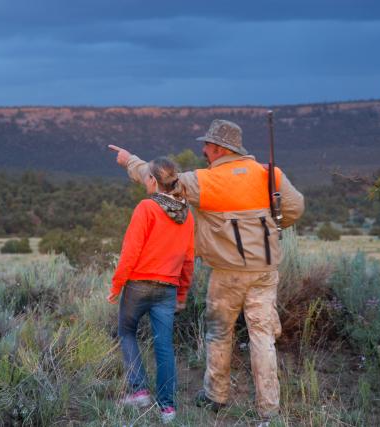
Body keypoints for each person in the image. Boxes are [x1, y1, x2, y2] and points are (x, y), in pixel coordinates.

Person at [109, 118, 305, 420]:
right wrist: (263, 224)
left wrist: (128, 160)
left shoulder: (206, 181)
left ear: (217, 148)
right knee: (263, 337)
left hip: (227, 273)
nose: (202, 150)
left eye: (206, 145)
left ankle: (215, 395)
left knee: (218, 332)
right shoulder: (270, 174)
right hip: (266, 270)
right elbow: (294, 208)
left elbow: (160, 179)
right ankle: (269, 411)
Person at [107, 157, 195, 424]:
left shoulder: (147, 207)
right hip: (168, 289)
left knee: (126, 331)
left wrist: (116, 286)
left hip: (138, 285)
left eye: (147, 177)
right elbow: (188, 260)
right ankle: (167, 408)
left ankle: (139, 391)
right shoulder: (186, 214)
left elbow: (130, 252)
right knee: (164, 346)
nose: (145, 180)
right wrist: (181, 295)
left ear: (154, 181)